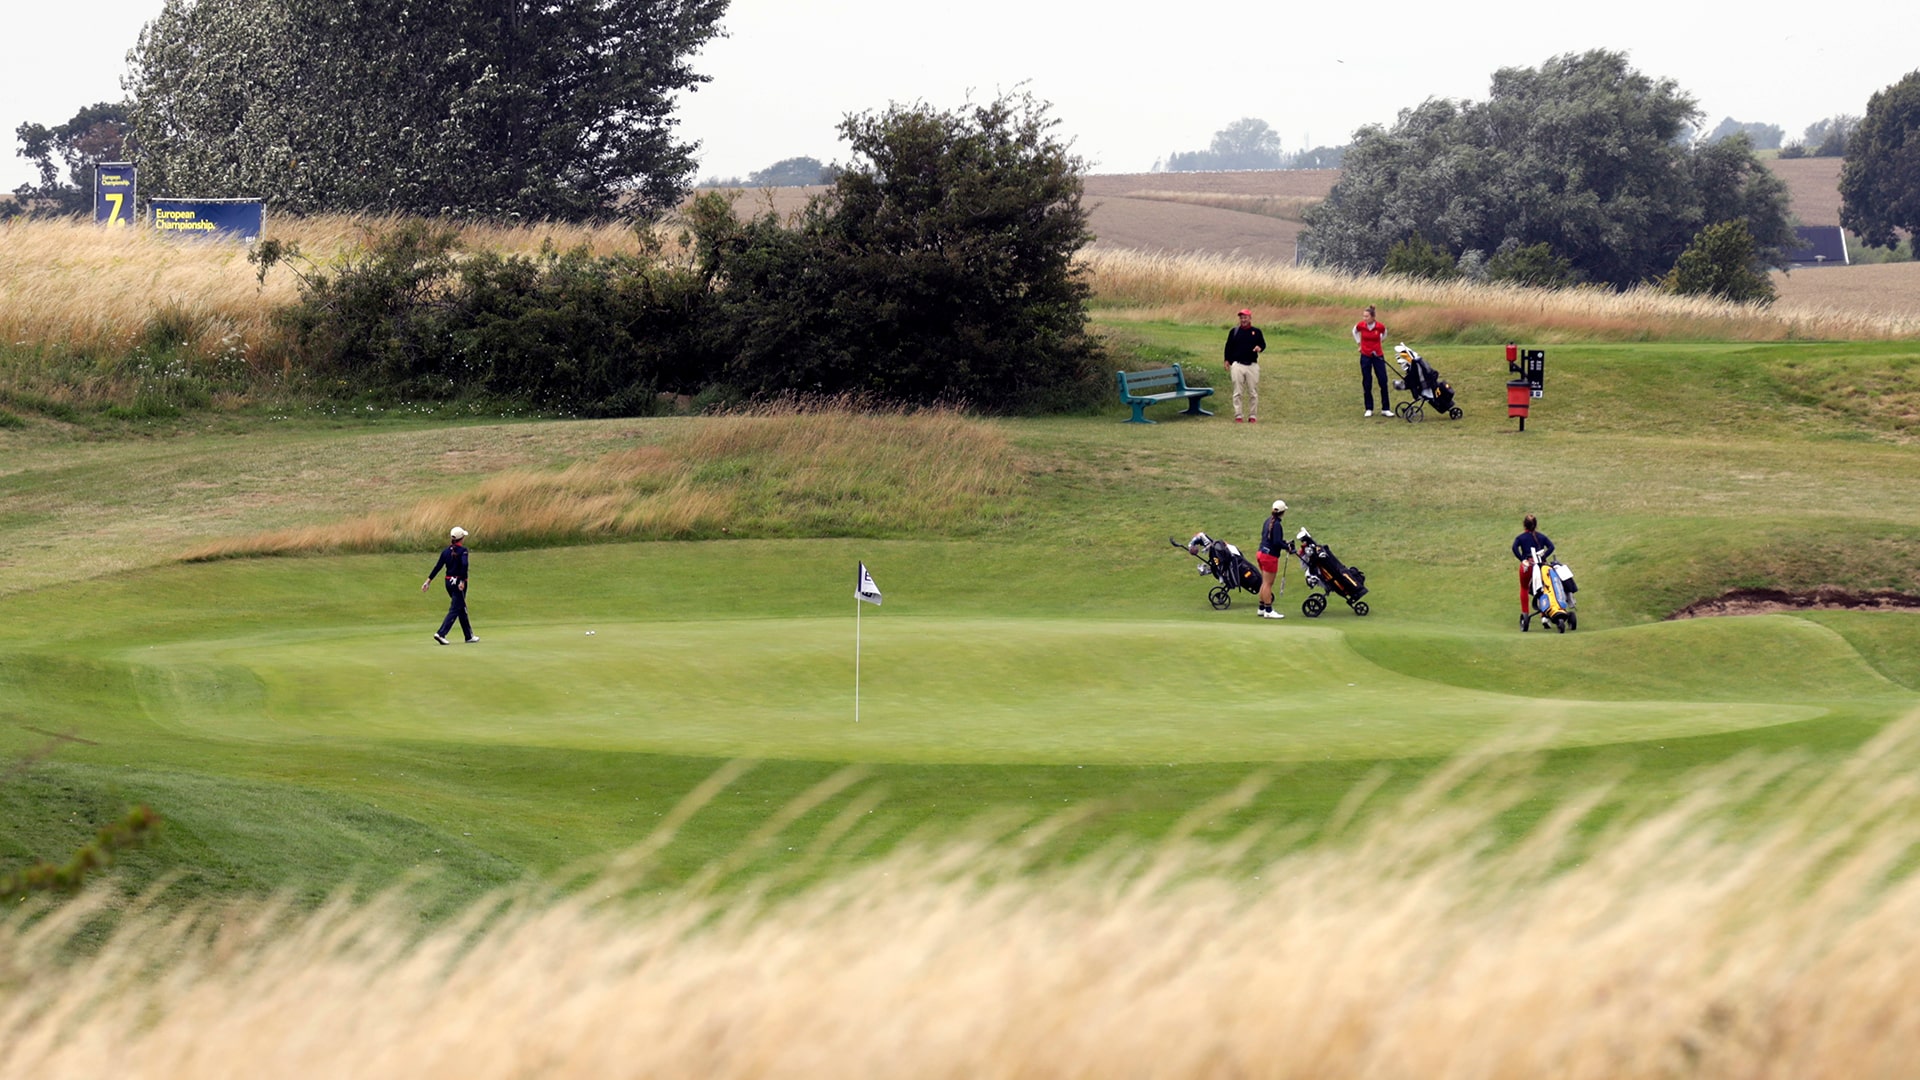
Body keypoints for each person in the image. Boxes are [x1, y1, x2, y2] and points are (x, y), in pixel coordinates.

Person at [422, 526, 478, 644]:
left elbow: (438, 567)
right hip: (458, 583)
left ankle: (468, 636)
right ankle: (441, 633)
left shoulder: (446, 551)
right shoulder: (463, 551)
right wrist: (462, 581)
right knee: (455, 608)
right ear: (461, 538)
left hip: (448, 583)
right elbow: (464, 565)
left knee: (461, 607)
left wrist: (428, 581)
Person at [1223, 308, 1266, 423]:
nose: (1243, 320)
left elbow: (1262, 344)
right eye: (1241, 318)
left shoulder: (1256, 332)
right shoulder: (1234, 331)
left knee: (1253, 392)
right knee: (1237, 392)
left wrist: (1259, 348)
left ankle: (1252, 416)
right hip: (1237, 364)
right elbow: (1228, 346)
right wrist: (1227, 360)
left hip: (1252, 365)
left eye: (1245, 317)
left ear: (1250, 318)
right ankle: (1238, 415)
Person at [1511, 514, 1554, 614]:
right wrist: (1543, 557)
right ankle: (1544, 614)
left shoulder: (1520, 538)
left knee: (1524, 588)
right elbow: (1551, 547)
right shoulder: (1541, 537)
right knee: (1542, 588)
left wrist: (1522, 559)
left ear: (1524, 524)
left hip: (1527, 566)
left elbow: (1514, 548)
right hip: (1540, 566)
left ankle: (1525, 612)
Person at [1353, 304, 1391, 417]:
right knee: (1367, 381)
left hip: (1378, 355)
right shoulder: (1361, 325)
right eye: (1363, 316)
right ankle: (1369, 408)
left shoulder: (1379, 326)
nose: (1364, 318)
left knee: (1383, 380)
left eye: (1367, 316)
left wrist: (1380, 341)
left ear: (1373, 317)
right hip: (1365, 355)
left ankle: (1386, 408)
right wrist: (1359, 344)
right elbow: (1354, 331)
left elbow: (1384, 333)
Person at [1256, 499, 1289, 619]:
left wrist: (1284, 544)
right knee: (1268, 584)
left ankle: (1261, 608)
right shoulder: (1277, 525)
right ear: (1282, 512)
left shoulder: (1268, 521)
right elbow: (1276, 542)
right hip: (1269, 557)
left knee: (1264, 582)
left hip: (1261, 553)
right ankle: (1268, 610)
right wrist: (1287, 547)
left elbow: (1271, 539)